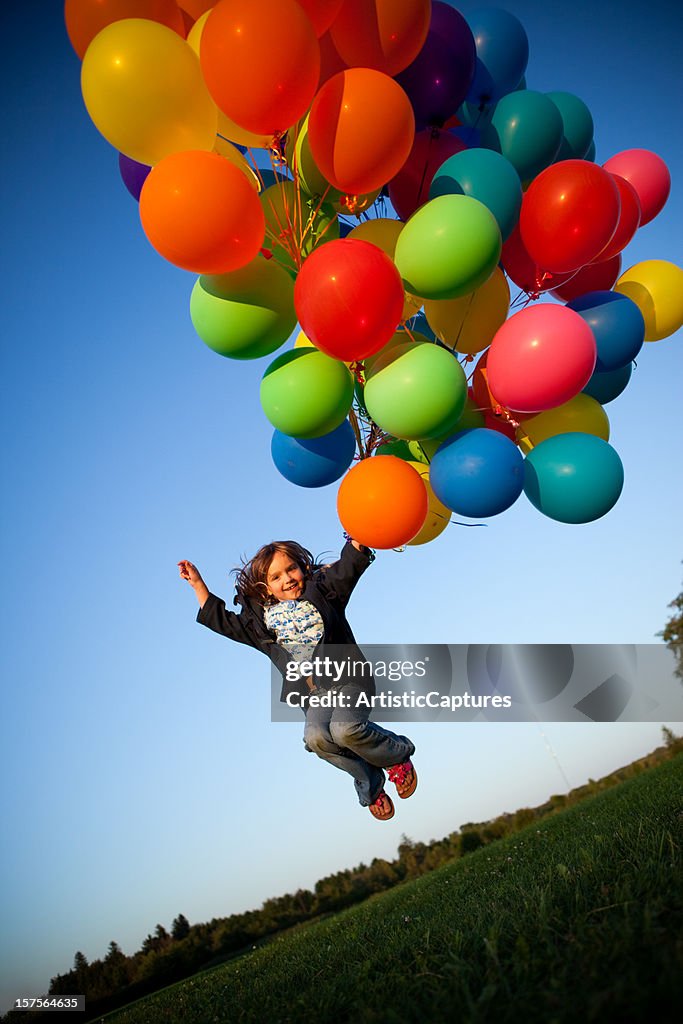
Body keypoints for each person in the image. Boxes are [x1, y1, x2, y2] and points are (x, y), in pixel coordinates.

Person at [178, 538, 417, 821]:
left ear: (303, 568)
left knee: (344, 730)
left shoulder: (325, 592)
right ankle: (371, 784)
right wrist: (198, 585)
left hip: (350, 680)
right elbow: (224, 622)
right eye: (276, 576)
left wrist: (357, 541)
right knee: (316, 738)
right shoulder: (260, 625)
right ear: (265, 588)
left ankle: (397, 755)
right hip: (315, 697)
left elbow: (348, 568)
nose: (287, 579)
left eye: (291, 569)